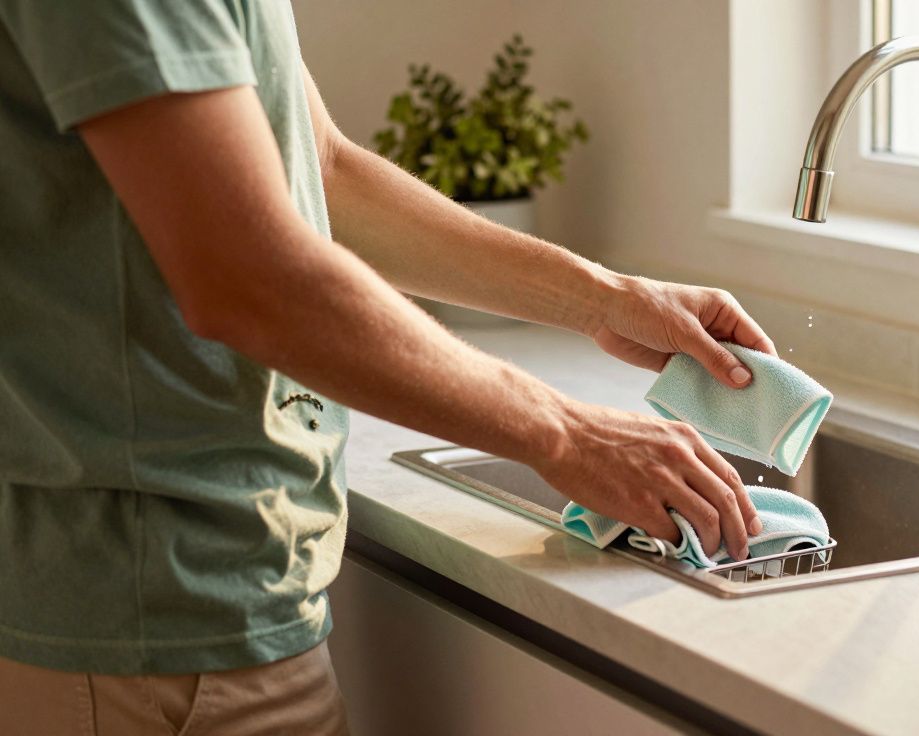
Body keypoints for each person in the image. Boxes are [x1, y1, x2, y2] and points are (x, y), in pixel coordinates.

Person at [0, 2, 774, 733]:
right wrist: (568, 434)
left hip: (201, 608)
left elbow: (322, 171)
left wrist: (603, 298)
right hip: (149, 628)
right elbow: (249, 276)